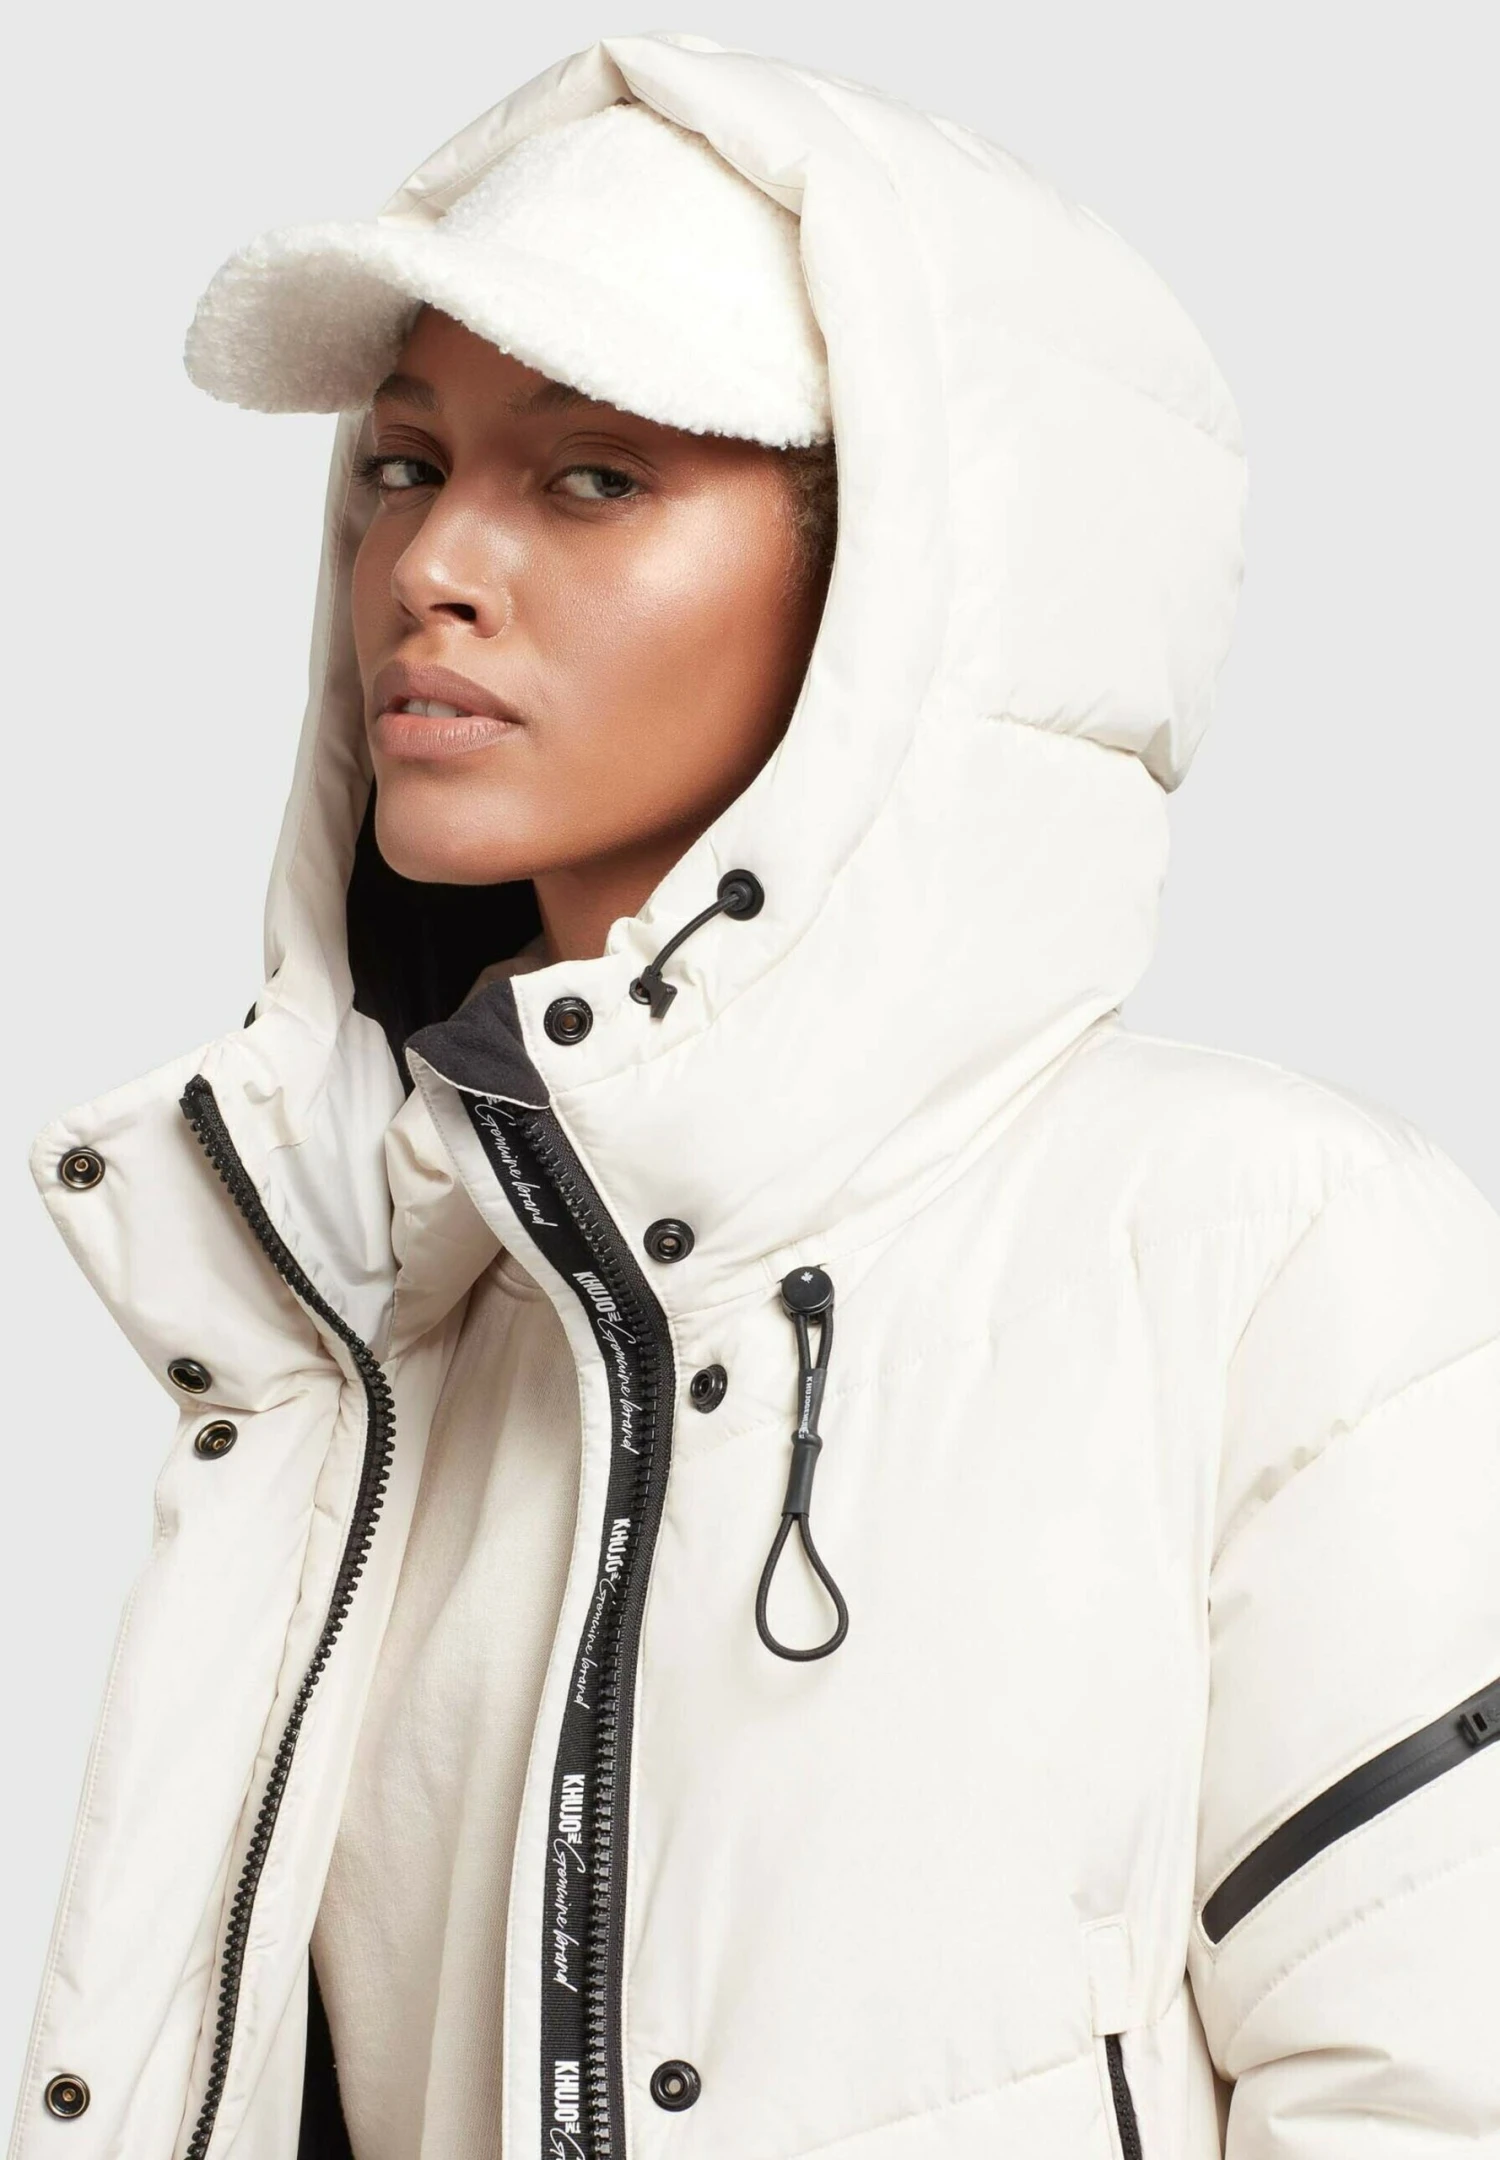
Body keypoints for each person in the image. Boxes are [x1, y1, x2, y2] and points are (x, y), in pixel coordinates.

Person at [11, 31, 1500, 2160]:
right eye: (406, 465)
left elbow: (1430, 2095)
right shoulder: (372, 1340)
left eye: (591, 477)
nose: (429, 566)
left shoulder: (1267, 1252)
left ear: (904, 586)